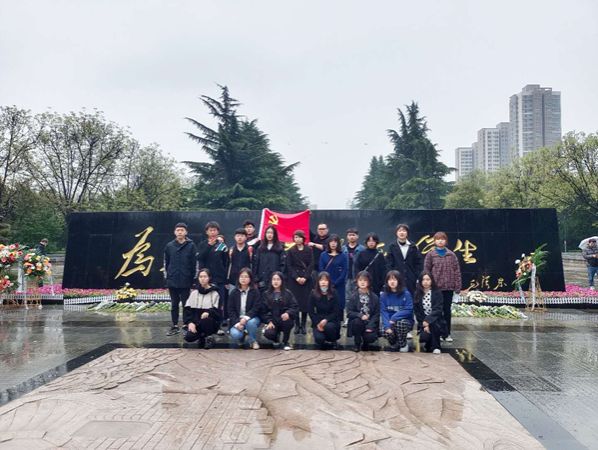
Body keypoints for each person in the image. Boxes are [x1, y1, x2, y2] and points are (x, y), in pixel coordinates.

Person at [423, 232, 461, 343]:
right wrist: (426, 285)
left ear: (446, 241)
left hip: (448, 288)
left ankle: (447, 333)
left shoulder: (451, 255)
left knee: (447, 311)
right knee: (436, 311)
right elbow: (426, 271)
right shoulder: (431, 255)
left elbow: (457, 272)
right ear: (434, 241)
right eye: (438, 239)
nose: (440, 241)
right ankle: (438, 333)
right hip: (436, 289)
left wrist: (457, 289)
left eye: (442, 239)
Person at [164, 222, 198, 336]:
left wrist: (193, 279)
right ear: (175, 232)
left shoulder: (191, 245)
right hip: (172, 279)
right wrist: (167, 277)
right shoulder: (169, 246)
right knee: (174, 304)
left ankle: (185, 324)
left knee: (186, 304)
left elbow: (194, 263)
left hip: (185, 279)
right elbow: (166, 263)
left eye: (182, 230)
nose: (180, 232)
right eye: (178, 230)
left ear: (186, 232)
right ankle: (174, 325)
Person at [197, 221, 229, 325]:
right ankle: (207, 323)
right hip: (207, 279)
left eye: (214, 230)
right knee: (207, 302)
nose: (212, 232)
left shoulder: (222, 245)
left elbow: (226, 261)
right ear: (206, 232)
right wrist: (209, 246)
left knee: (219, 301)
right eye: (210, 230)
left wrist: (225, 277)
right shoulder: (202, 244)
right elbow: (200, 257)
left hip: (219, 279)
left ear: (218, 231)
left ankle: (219, 323)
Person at [183, 269, 221, 349]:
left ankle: (209, 337)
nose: (202, 279)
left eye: (205, 276)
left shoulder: (215, 293)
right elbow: (187, 310)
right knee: (189, 337)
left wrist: (209, 312)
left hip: (210, 322)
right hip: (196, 322)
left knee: (206, 320)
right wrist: (190, 323)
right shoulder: (194, 293)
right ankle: (202, 336)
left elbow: (218, 312)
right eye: (200, 277)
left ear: (209, 278)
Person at [286, 230, 314, 335]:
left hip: (306, 279)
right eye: (295, 237)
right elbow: (289, 266)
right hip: (294, 280)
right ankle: (297, 325)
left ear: (303, 238)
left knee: (305, 302)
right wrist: (296, 277)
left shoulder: (309, 250)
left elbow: (311, 264)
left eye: (299, 237)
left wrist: (305, 277)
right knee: (296, 302)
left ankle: (303, 324)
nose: (297, 239)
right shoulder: (291, 250)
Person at [261, 271, 298, 350]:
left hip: (284, 320)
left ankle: (285, 341)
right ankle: (276, 338)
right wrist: (269, 321)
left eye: (278, 279)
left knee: (288, 322)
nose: (276, 281)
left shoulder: (288, 293)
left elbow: (294, 306)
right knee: (268, 333)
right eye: (274, 279)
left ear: (282, 281)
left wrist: (288, 313)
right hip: (273, 321)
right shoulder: (266, 294)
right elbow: (263, 311)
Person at [228, 268, 262, 349]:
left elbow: (256, 308)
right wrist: (237, 323)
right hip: (237, 319)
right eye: (241, 276)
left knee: (251, 323)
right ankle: (242, 336)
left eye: (246, 277)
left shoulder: (255, 292)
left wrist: (246, 318)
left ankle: (253, 341)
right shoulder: (234, 292)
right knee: (235, 334)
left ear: (250, 279)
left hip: (252, 318)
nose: (243, 279)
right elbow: (230, 310)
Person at [380, 270, 414, 352]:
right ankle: (394, 343)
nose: (392, 282)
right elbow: (384, 312)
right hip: (390, 322)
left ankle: (403, 344)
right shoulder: (383, 295)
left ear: (399, 281)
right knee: (383, 330)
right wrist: (387, 326)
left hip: (404, 321)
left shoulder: (406, 294)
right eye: (390, 279)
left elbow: (409, 309)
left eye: (394, 279)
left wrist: (394, 318)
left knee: (400, 323)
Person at [413, 272, 447, 354]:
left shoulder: (437, 293)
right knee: (424, 337)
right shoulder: (417, 293)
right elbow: (417, 312)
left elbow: (438, 310)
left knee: (434, 324)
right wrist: (424, 324)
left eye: (428, 279)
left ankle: (436, 346)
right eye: (423, 280)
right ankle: (429, 343)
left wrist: (428, 321)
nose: (425, 282)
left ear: (432, 280)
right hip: (423, 322)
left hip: (437, 320)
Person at [385, 224, 423, 296]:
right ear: (396, 233)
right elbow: (389, 263)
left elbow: (419, 263)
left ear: (407, 233)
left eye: (404, 231)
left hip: (411, 279)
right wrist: (391, 277)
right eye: (400, 231)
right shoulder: (392, 247)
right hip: (396, 278)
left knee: (411, 297)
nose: (402, 233)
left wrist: (417, 276)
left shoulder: (413, 246)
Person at [347, 271, 380, 352]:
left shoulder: (374, 297)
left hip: (370, 322)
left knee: (370, 337)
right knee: (357, 322)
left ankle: (366, 343)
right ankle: (357, 343)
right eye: (360, 280)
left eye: (365, 280)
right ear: (357, 282)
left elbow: (376, 314)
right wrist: (360, 315)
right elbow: (349, 312)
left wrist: (370, 326)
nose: (362, 282)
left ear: (369, 282)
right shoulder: (353, 296)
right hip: (357, 322)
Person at [308, 271, 341, 349]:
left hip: (331, 320)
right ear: (318, 282)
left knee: (329, 327)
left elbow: (336, 311)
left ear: (329, 282)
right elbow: (311, 311)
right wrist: (317, 323)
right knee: (319, 339)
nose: (323, 282)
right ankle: (322, 338)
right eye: (321, 280)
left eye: (326, 280)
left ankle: (333, 340)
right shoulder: (313, 293)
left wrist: (326, 320)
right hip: (318, 320)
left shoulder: (334, 293)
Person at [318, 234, 348, 320]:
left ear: (338, 243)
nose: (333, 244)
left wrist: (336, 282)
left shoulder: (343, 255)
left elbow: (345, 270)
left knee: (339, 302)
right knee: (327, 301)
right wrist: (328, 282)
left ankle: (339, 320)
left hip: (339, 284)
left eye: (335, 242)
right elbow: (321, 269)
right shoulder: (323, 255)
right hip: (326, 283)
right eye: (331, 242)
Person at [342, 228, 365, 324]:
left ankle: (360, 316)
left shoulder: (362, 249)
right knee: (347, 299)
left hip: (358, 277)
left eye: (353, 235)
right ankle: (348, 316)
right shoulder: (343, 249)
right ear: (347, 237)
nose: (352, 237)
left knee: (359, 297)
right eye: (350, 235)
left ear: (357, 236)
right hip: (346, 277)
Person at [253, 225, 285, 291]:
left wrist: (280, 276)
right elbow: (256, 264)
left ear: (274, 234)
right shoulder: (260, 248)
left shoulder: (279, 248)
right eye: (268, 232)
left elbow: (283, 264)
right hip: (262, 279)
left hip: (275, 279)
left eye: (271, 233)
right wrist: (256, 278)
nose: (269, 235)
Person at [227, 228, 253, 294]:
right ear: (235, 237)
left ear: (246, 237)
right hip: (233, 280)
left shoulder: (250, 249)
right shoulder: (231, 250)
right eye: (238, 236)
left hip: (247, 280)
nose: (240, 238)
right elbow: (227, 265)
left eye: (242, 236)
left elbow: (254, 264)